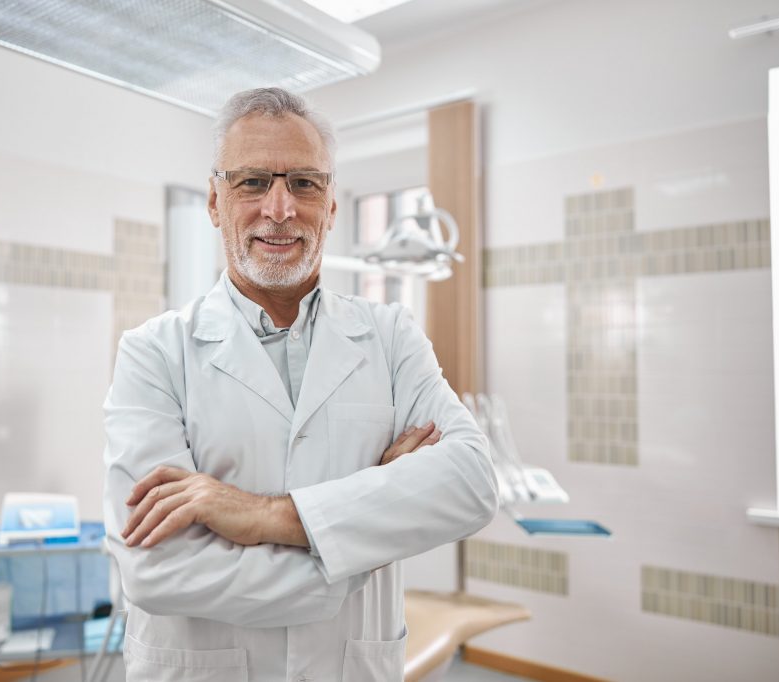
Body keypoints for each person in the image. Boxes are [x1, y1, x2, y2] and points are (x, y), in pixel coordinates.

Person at [102, 87, 497, 682]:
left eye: (305, 184)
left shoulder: (390, 337)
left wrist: (265, 516)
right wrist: (367, 530)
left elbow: (470, 483)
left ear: (332, 205)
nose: (280, 208)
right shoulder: (153, 353)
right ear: (215, 201)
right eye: (253, 182)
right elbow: (158, 571)